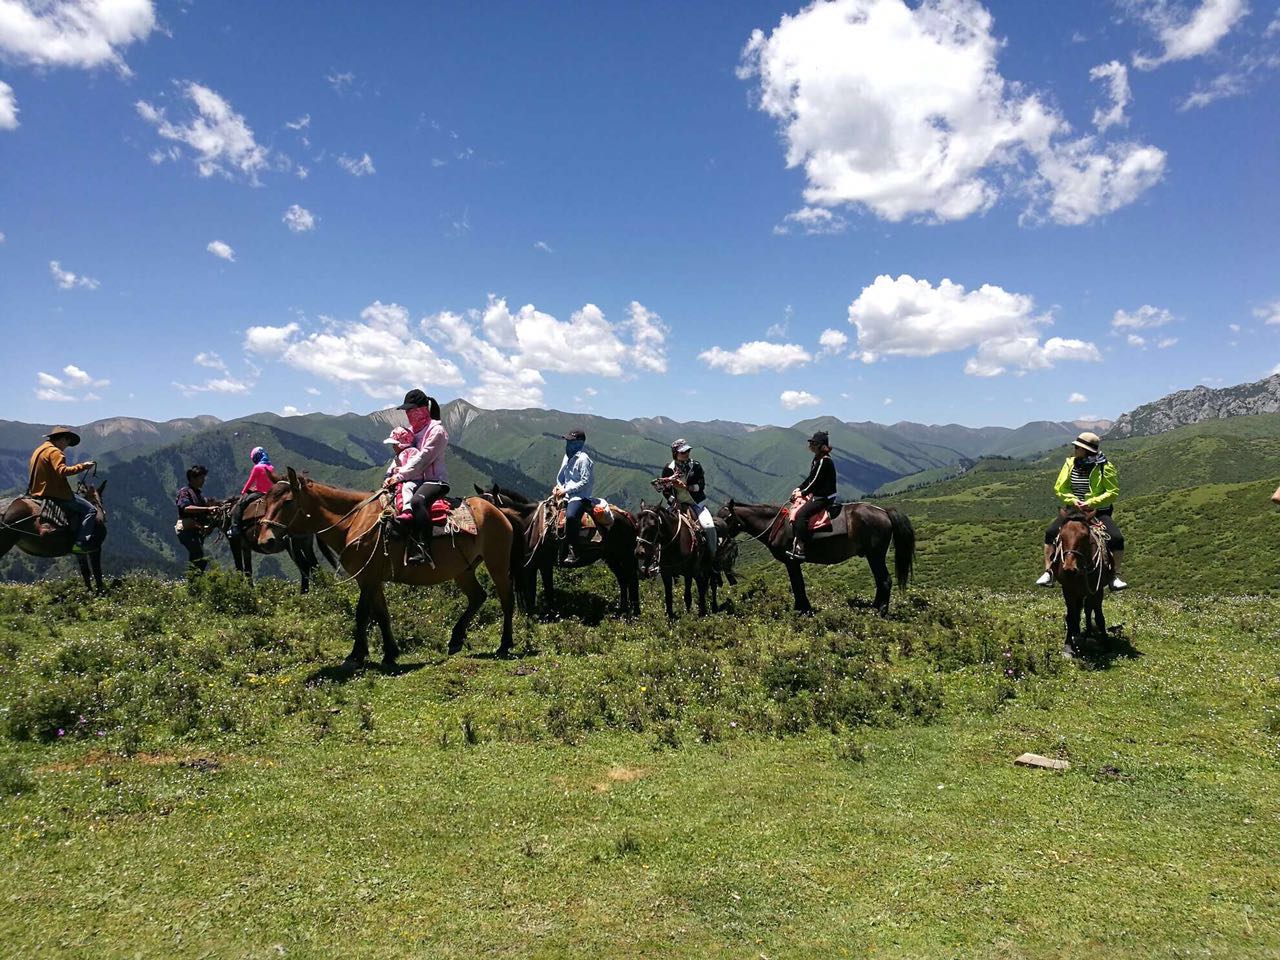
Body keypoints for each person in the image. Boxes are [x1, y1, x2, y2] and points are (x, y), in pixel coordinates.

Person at [1036, 431, 1128, 590]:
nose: (1075, 449)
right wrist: (1073, 501)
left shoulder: (1104, 467)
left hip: (1098, 511)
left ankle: (1114, 575)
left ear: (1086, 450)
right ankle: (1049, 571)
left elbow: (1112, 492)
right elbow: (1060, 487)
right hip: (1073, 510)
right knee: (1050, 533)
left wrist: (1091, 502)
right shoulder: (1070, 464)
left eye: (1078, 447)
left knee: (1116, 538)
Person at [389, 389, 449, 566]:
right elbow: (404, 453)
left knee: (416, 502)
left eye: (412, 410)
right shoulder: (411, 431)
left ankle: (425, 548)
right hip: (413, 479)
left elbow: (423, 458)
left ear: (423, 409)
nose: (409, 414)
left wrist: (400, 475)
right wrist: (392, 474)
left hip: (435, 481)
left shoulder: (436, 431)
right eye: (407, 411)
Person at [26, 427, 97, 553]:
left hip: (36, 491)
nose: (67, 446)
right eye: (67, 442)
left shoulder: (39, 450)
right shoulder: (55, 452)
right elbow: (62, 471)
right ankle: (80, 543)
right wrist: (83, 466)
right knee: (91, 510)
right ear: (62, 439)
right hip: (54, 493)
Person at [656, 438, 717, 563]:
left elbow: (701, 485)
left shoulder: (696, 466)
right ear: (675, 453)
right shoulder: (668, 469)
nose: (686, 454)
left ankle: (713, 558)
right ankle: (657, 561)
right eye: (683, 452)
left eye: (687, 451)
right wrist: (674, 501)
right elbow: (665, 490)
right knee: (658, 528)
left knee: (709, 526)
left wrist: (686, 487)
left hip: (696, 504)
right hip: (676, 505)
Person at [788, 430, 838, 561]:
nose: (811, 445)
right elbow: (810, 479)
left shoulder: (824, 461)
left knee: (801, 515)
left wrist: (802, 493)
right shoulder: (818, 459)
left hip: (824, 497)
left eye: (814, 443)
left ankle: (802, 547)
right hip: (820, 494)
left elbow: (815, 482)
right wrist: (798, 488)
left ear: (821, 446)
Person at [554, 428, 594, 565]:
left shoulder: (583, 459)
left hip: (580, 497)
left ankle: (573, 550)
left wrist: (566, 490)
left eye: (571, 441)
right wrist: (558, 487)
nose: (568, 444)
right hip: (564, 494)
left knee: (571, 517)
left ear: (580, 443)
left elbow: (585, 481)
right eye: (567, 441)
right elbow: (561, 476)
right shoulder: (567, 457)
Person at [175, 465, 218, 575]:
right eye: (201, 478)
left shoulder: (198, 494)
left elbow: (205, 506)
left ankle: (195, 582)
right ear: (193, 478)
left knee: (197, 556)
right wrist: (207, 508)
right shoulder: (185, 492)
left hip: (196, 531)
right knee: (197, 555)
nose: (203, 480)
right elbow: (186, 508)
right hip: (185, 529)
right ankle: (194, 582)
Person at [230, 446, 279, 539]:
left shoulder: (257, 468)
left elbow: (250, 481)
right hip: (270, 494)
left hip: (259, 493)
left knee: (240, 504)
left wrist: (243, 492)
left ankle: (235, 527)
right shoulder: (271, 467)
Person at [381, 426, 419, 520]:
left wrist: (397, 476)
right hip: (399, 479)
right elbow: (391, 468)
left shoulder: (413, 452)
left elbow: (411, 469)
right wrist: (387, 478)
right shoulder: (398, 456)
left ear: (403, 443)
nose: (393, 446)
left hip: (414, 480)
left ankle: (407, 510)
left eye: (395, 444)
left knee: (407, 487)